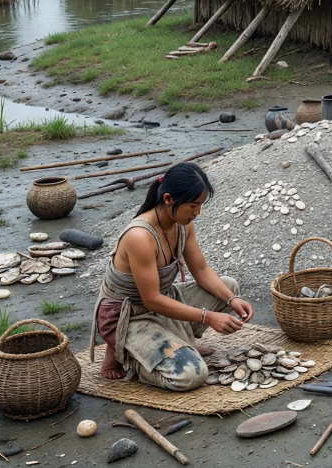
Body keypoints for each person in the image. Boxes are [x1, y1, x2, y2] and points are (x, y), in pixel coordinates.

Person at [91, 163, 252, 390]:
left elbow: (201, 270)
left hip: (162, 302)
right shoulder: (140, 236)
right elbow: (152, 300)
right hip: (128, 315)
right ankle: (128, 356)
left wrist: (231, 299)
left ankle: (180, 342)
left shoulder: (183, 225)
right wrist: (208, 317)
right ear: (168, 199)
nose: (197, 213)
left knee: (228, 287)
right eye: (193, 206)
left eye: (200, 205)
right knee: (191, 375)